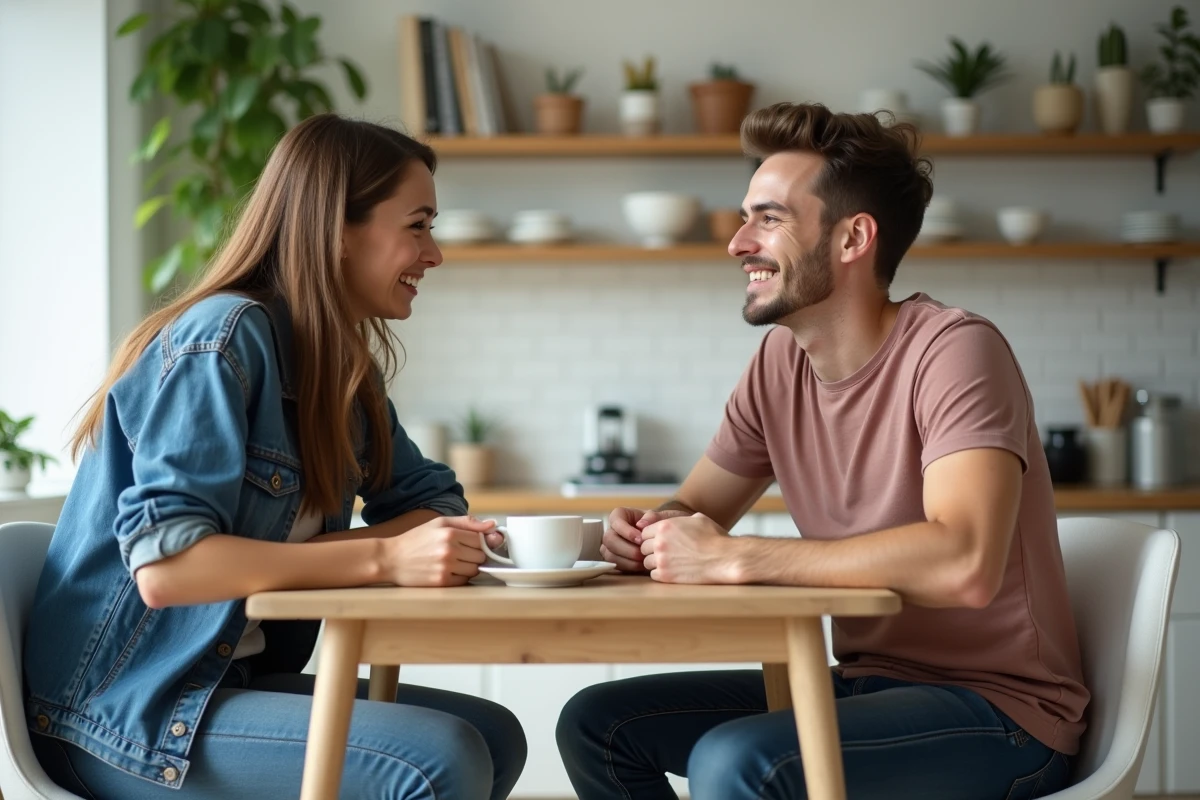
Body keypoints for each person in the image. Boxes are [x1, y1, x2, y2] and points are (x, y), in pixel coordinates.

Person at [556, 103, 1088, 800]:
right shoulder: (780, 365)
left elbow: (964, 565)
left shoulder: (955, 350)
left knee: (738, 760)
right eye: (746, 216)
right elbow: (695, 507)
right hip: (863, 685)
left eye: (769, 218)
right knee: (598, 725)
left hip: (1004, 714)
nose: (738, 242)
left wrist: (736, 557)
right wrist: (648, 531)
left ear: (852, 239)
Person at [24, 115, 526, 800]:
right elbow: (169, 569)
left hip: (222, 685)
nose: (433, 254)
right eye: (418, 225)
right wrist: (383, 556)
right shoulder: (221, 341)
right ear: (338, 230)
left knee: (495, 735)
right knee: (439, 757)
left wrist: (403, 541)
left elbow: (429, 504)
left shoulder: (340, 367)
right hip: (123, 712)